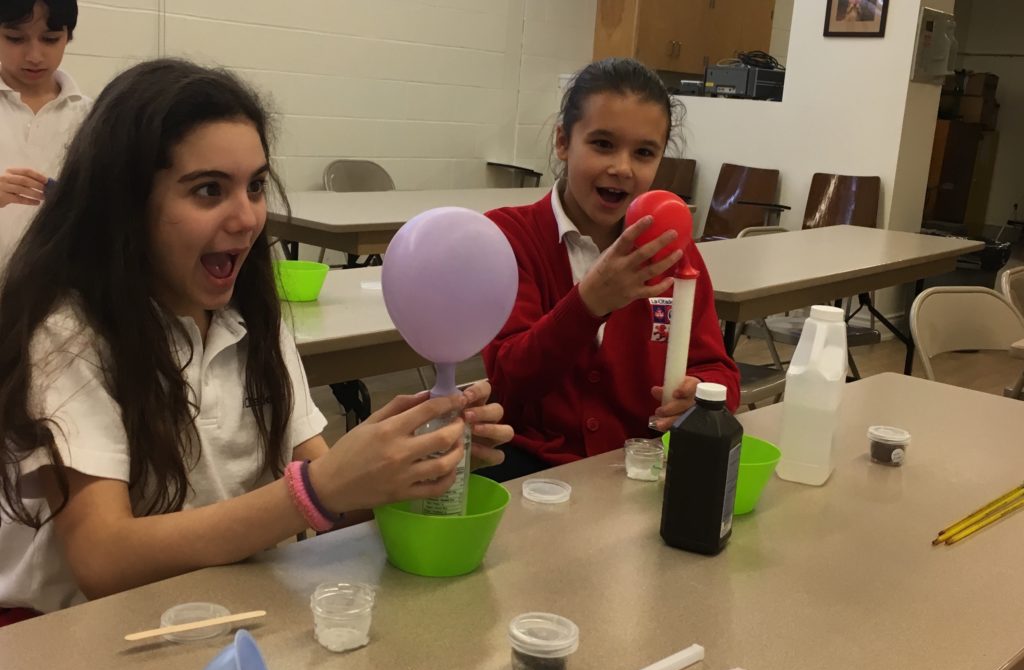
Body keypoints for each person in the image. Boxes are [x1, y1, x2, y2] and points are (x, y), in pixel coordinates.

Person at [0, 58, 511, 625]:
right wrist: (316, 490)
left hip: (222, 610)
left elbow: (329, 490)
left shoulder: (250, 319)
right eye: (208, 190)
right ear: (124, 204)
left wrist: (407, 461)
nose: (247, 218)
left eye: (257, 186)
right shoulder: (68, 334)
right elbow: (102, 558)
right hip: (75, 635)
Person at [479, 57, 739, 480]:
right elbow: (508, 381)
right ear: (563, 142)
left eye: (643, 153)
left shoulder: (673, 249)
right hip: (533, 471)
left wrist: (704, 396)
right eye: (602, 144)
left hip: (642, 467)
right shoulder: (507, 238)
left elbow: (717, 368)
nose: (622, 167)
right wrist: (588, 302)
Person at [0, 0, 91, 268]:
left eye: (50, 39)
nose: (34, 56)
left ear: (67, 37)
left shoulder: (90, 117)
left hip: (57, 290)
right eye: (15, 38)